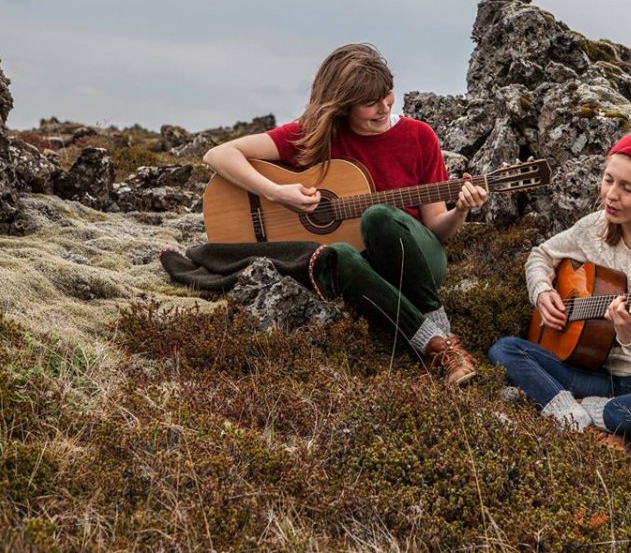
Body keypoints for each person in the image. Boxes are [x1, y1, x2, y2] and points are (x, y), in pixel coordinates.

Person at [202, 43, 488, 385]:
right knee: (336, 253)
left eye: (387, 94)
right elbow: (219, 154)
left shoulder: (418, 136)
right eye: (370, 103)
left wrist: (461, 210)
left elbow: (437, 229)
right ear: (343, 105)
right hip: (362, 268)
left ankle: (440, 332)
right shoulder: (316, 135)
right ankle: (437, 346)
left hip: (417, 258)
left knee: (378, 217)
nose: (384, 107)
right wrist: (277, 192)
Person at [488, 130, 631, 446]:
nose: (611, 195)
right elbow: (541, 255)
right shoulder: (595, 226)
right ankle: (593, 422)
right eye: (608, 180)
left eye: (627, 188)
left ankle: (572, 413)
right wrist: (543, 292)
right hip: (597, 373)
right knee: (506, 350)